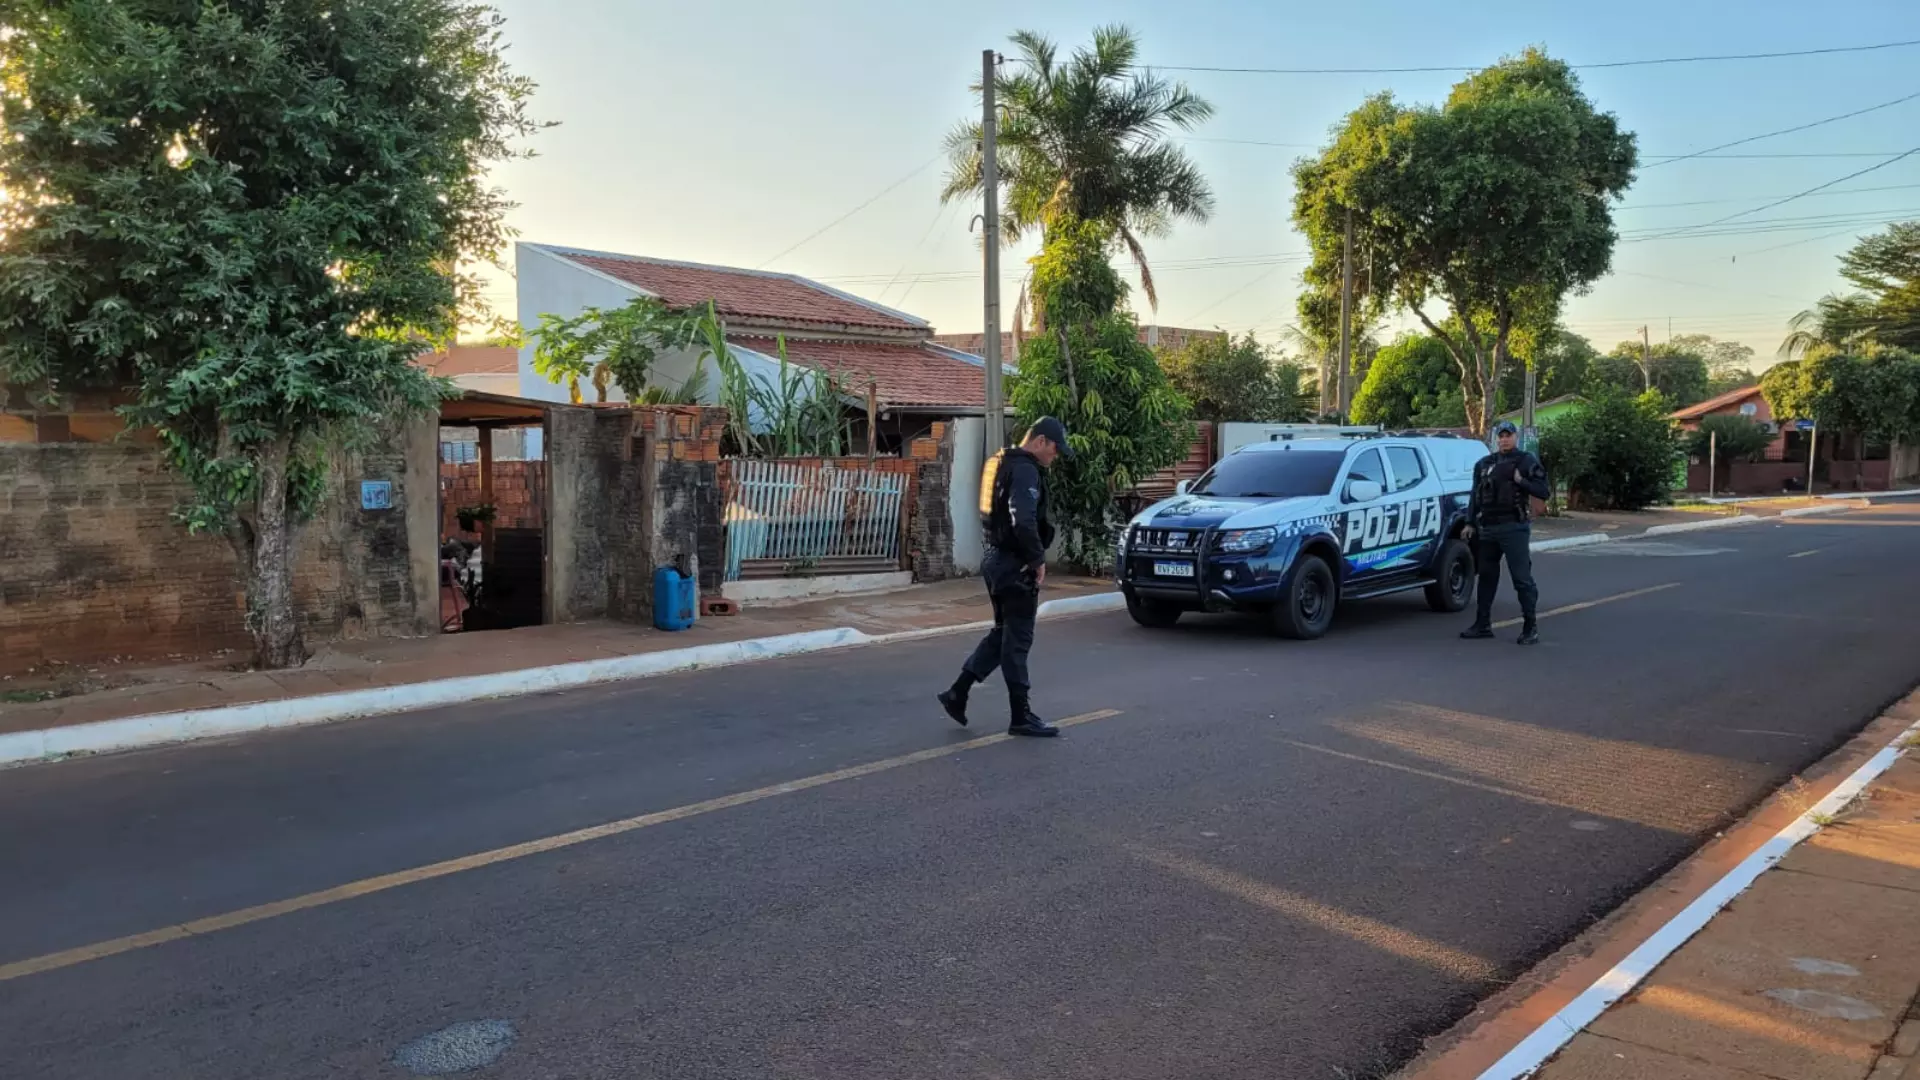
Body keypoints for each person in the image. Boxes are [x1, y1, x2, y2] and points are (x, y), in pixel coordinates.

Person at [937, 417, 1072, 737]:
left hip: (995, 560)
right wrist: (1037, 559)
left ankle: (957, 693)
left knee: (1003, 634)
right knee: (1017, 641)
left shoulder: (999, 462)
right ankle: (1021, 716)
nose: (1056, 455)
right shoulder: (1025, 469)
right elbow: (1022, 518)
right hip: (1014, 565)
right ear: (1040, 441)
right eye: (1054, 449)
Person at [1460, 420, 1551, 645]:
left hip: (1514, 528)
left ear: (1515, 437)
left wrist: (1522, 481)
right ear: (1495, 438)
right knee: (1486, 577)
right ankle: (1482, 624)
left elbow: (1543, 490)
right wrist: (1470, 522)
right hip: (1488, 528)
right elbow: (1475, 495)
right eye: (1500, 435)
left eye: (1508, 435)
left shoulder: (1525, 461)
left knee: (1522, 579)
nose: (1504, 439)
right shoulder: (1484, 464)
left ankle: (1531, 627)